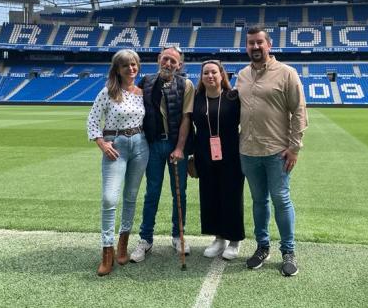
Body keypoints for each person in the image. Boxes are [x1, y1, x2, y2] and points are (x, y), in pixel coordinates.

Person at [237, 26, 308, 277]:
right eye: (250, 43)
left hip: (277, 151)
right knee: (258, 201)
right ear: (246, 47)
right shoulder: (242, 75)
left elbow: (299, 111)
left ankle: (288, 251)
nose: (255, 47)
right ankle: (262, 247)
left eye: (259, 43)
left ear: (269, 45)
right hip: (248, 150)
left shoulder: (287, 73)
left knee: (281, 200)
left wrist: (294, 148)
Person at [86, 49, 149, 276]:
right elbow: (92, 121)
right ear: (118, 70)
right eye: (126, 66)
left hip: (141, 146)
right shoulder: (108, 92)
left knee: (131, 197)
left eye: (134, 65)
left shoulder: (143, 93)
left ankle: (123, 244)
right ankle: (107, 251)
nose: (131, 69)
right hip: (116, 146)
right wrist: (102, 144)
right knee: (109, 198)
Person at [130, 45, 194, 263]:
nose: (168, 64)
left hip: (176, 146)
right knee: (152, 192)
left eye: (173, 61)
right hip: (153, 146)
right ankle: (145, 239)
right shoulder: (146, 81)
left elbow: (187, 118)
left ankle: (178, 236)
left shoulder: (186, 84)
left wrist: (180, 148)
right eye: (165, 59)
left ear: (180, 65)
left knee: (179, 193)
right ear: (159, 59)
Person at [190, 60, 245, 260]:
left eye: (214, 72)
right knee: (210, 196)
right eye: (206, 73)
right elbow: (189, 126)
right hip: (204, 154)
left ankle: (234, 239)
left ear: (222, 75)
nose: (210, 76)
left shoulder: (233, 97)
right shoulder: (196, 98)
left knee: (231, 195)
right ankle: (218, 238)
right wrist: (191, 154)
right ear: (202, 77)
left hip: (232, 153)